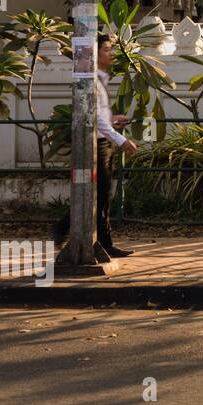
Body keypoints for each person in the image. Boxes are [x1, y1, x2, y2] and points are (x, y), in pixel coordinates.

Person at [53, 33, 138, 258]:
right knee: (99, 194)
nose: (111, 53)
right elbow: (95, 119)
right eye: (107, 50)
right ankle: (77, 233)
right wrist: (121, 140)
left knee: (101, 194)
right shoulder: (90, 81)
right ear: (95, 53)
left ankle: (93, 237)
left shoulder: (99, 80)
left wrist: (112, 120)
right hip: (97, 144)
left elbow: (99, 117)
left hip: (102, 142)